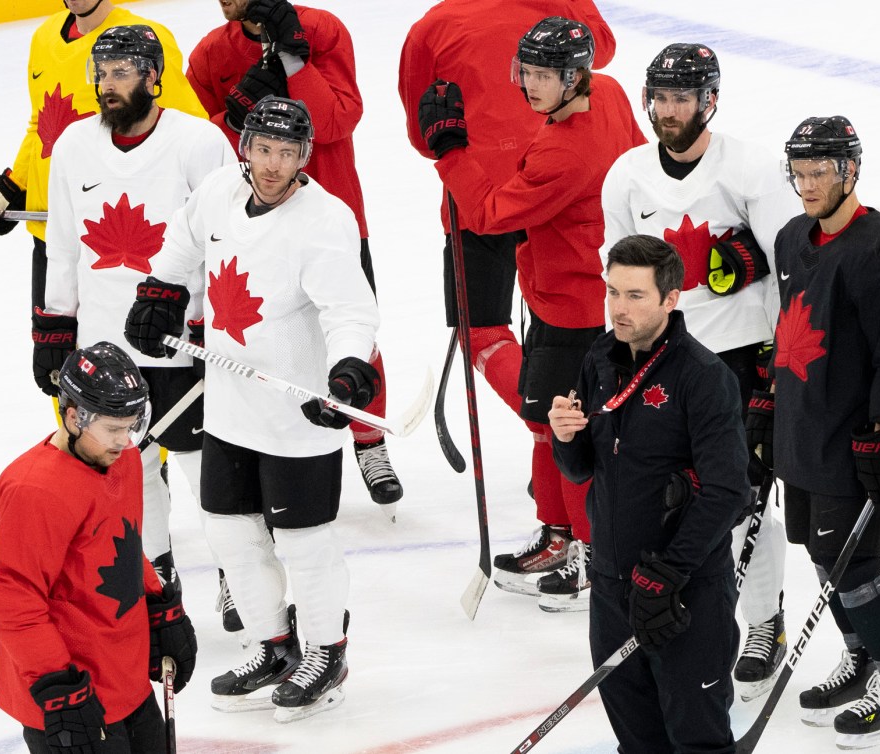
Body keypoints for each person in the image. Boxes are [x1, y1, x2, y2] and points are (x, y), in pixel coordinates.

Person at [123, 97, 379, 723]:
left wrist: (346, 374)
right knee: (231, 534)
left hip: (298, 414)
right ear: (245, 149)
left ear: (304, 158)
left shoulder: (326, 221)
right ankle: (272, 642)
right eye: (263, 150)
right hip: (231, 404)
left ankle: (325, 650)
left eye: (286, 153)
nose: (272, 164)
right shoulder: (216, 192)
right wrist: (158, 293)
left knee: (303, 541)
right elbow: (180, 248)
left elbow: (350, 312)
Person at [418, 16, 645, 611]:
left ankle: (594, 562)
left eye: (544, 75)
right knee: (552, 424)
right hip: (580, 292)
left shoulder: (565, 152)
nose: (530, 85)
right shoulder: (612, 93)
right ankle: (559, 536)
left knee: (565, 431)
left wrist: (451, 153)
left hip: (572, 309)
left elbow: (491, 214)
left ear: (574, 76)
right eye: (527, 71)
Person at [600, 42, 793, 697]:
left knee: (736, 503)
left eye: (683, 97)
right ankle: (691, 607)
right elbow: (618, 281)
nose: (669, 109)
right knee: (663, 499)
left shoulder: (751, 170)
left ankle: (763, 620)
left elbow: (792, 264)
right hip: (661, 363)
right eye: (661, 97)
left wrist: (776, 366)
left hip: (738, 361)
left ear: (710, 100)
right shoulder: (625, 175)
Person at [39, 24, 234, 599]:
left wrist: (206, 330)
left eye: (122, 72)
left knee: (203, 466)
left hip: (180, 339)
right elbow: (65, 246)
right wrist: (55, 329)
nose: (108, 85)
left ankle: (233, 572)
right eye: (102, 73)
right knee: (132, 465)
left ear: (154, 76)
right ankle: (156, 575)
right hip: (105, 342)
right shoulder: (74, 144)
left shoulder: (199, 142)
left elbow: (223, 242)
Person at [186, 0, 403, 511]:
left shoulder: (322, 30)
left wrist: (293, 63)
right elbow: (197, 147)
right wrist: (233, 118)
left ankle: (369, 440)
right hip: (251, 225)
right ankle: (261, 447)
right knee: (258, 333)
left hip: (332, 216)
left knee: (352, 332)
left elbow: (334, 122)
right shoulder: (210, 55)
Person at [548, 234, 750, 754]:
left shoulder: (704, 377)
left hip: (684, 593)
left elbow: (727, 492)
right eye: (612, 291)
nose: (619, 307)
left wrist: (667, 573)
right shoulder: (598, 360)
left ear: (671, 298)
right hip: (613, 588)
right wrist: (566, 438)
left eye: (635, 295)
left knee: (698, 740)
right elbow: (582, 471)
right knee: (638, 742)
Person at [767, 115, 880, 749]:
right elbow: (789, 330)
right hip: (802, 431)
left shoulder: (875, 246)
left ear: (850, 171)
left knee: (856, 566)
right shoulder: (787, 238)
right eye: (798, 173)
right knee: (824, 558)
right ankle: (861, 658)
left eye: (819, 173)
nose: (806, 186)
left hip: (854, 441)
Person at [398, 0, 614, 449]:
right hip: (567, 202)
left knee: (481, 332)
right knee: (563, 332)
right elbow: (601, 51)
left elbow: (426, 136)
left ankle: (547, 429)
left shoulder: (431, 27)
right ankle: (561, 434)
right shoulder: (556, 7)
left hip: (482, 196)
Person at [0, 342, 197, 753]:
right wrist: (57, 687)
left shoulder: (126, 459)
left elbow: (124, 545)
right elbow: (13, 602)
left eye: (133, 425)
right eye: (113, 429)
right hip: (73, 695)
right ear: (73, 417)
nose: (126, 440)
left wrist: (160, 610)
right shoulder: (35, 490)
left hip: (126, 679)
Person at [0, 0, 203, 321]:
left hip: (112, 240)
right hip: (49, 236)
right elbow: (42, 125)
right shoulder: (45, 36)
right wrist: (11, 185)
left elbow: (188, 132)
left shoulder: (143, 38)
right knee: (54, 364)